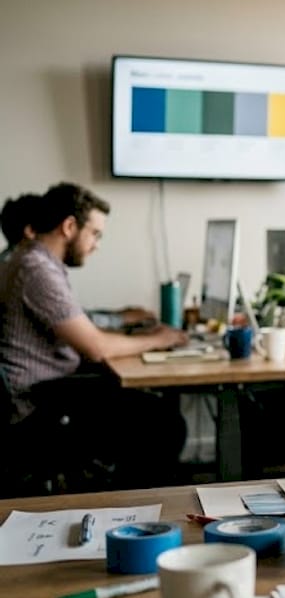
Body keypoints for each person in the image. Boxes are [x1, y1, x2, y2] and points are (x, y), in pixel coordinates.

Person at [0, 182, 189, 489]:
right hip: (37, 406)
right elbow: (96, 348)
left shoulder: (30, 260)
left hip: (44, 391)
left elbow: (82, 330)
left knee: (144, 407)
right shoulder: (36, 269)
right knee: (164, 425)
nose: (96, 244)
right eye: (95, 234)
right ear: (69, 226)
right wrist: (159, 339)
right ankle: (134, 515)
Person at [2, 191, 155, 331]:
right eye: (47, 223)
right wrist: (120, 319)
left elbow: (65, 312)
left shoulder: (11, 262)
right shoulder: (32, 268)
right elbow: (74, 324)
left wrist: (115, 314)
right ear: (30, 231)